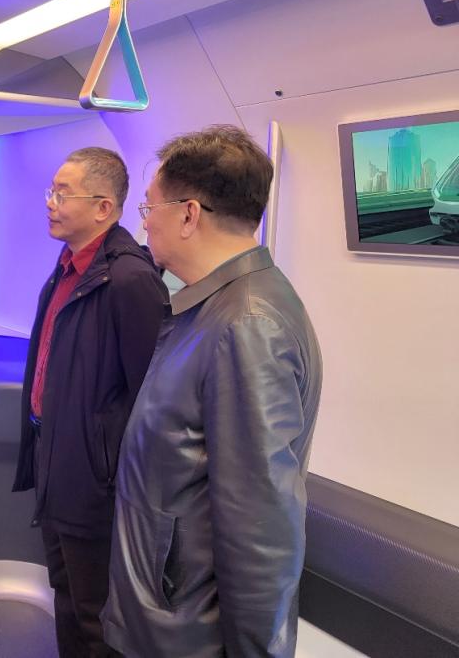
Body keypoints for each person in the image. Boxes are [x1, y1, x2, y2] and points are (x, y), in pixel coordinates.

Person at [101, 126, 322, 658]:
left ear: (188, 215)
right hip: (165, 622)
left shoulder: (247, 325)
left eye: (148, 208)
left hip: (187, 636)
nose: (144, 223)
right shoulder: (210, 310)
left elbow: (260, 531)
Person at [12, 148, 168, 658]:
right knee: (64, 592)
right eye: (51, 192)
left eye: (63, 193)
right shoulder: (68, 267)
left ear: (103, 208)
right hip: (55, 458)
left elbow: (150, 394)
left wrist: (109, 469)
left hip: (94, 479)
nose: (50, 203)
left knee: (95, 612)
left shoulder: (129, 280)